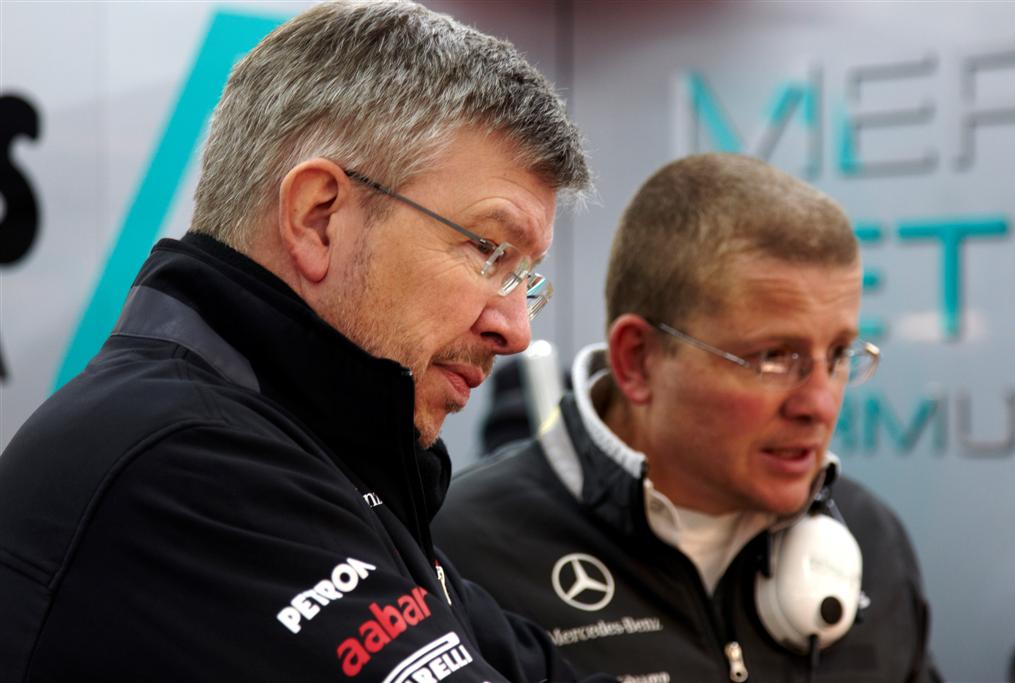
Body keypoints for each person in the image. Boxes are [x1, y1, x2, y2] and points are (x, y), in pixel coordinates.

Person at [0, 3, 618, 681]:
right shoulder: (187, 465)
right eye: (488, 251)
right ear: (318, 218)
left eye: (524, 278)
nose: (516, 329)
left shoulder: (330, 456)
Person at [434, 153, 943, 682]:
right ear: (638, 360)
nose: (819, 404)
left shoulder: (870, 535)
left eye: (838, 355)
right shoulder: (462, 551)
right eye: (774, 358)